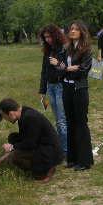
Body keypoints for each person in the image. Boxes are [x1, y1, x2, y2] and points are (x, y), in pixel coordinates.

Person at [50, 21, 94, 171]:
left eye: (76, 29)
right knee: (70, 122)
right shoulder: (67, 49)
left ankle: (85, 161)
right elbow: (59, 70)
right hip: (67, 88)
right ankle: (73, 159)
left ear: (82, 32)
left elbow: (83, 71)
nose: (73, 31)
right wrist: (68, 68)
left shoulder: (86, 50)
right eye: (71, 29)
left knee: (81, 123)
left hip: (79, 89)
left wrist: (66, 68)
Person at [0, 99, 63, 182]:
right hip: (42, 145)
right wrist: (10, 150)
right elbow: (25, 138)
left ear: (10, 113)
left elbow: (30, 143)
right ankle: (39, 166)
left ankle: (44, 170)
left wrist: (11, 148)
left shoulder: (30, 118)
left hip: (50, 151)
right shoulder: (24, 113)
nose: (5, 119)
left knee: (16, 156)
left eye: (4, 116)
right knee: (13, 137)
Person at [38, 24, 68, 157]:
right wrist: (42, 90)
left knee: (62, 120)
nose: (48, 39)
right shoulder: (47, 50)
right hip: (50, 87)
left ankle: (66, 151)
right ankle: (61, 148)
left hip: (61, 86)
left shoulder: (64, 49)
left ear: (55, 35)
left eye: (49, 36)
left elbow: (67, 68)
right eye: (45, 37)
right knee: (57, 120)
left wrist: (57, 64)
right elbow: (44, 71)